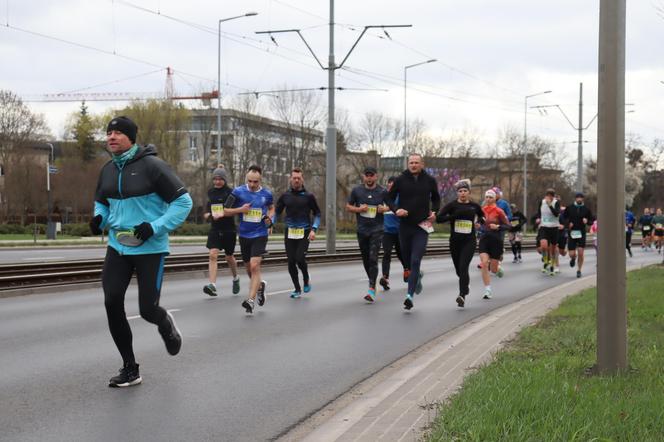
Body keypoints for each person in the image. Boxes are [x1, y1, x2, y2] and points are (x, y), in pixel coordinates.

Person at [90, 116, 193, 388]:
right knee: (112, 301)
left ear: (131, 138)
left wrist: (155, 227)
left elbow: (183, 202)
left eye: (118, 133)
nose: (111, 137)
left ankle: (165, 322)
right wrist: (98, 219)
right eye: (109, 132)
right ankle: (130, 368)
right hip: (118, 246)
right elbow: (101, 203)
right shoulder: (108, 170)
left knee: (147, 309)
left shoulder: (153, 166)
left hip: (150, 247)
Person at [386, 153, 441, 310]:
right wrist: (396, 209)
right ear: (408, 164)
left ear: (422, 164)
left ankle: (409, 296)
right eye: (411, 162)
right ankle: (417, 276)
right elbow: (388, 198)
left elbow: (436, 198)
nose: (414, 165)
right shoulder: (400, 180)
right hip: (404, 226)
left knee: (416, 259)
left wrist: (435, 212)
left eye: (416, 162)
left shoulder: (429, 180)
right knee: (409, 262)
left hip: (422, 225)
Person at [224, 165, 274, 314]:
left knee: (254, 266)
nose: (252, 185)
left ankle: (250, 301)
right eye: (250, 181)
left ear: (260, 180)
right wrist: (240, 210)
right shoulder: (238, 192)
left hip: (260, 234)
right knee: (248, 268)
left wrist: (270, 219)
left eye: (255, 182)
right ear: (247, 179)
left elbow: (272, 208)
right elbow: (224, 210)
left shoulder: (267, 194)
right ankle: (259, 287)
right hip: (244, 235)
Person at [436, 179, 484, 307]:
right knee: (459, 270)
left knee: (463, 267)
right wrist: (452, 217)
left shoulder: (474, 206)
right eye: (460, 191)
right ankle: (465, 285)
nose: (462, 193)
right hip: (455, 242)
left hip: (469, 241)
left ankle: (462, 295)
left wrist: (480, 222)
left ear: (469, 192)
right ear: (457, 193)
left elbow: (482, 216)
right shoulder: (452, 205)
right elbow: (439, 219)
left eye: (465, 191)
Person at [275, 168, 321, 299]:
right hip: (289, 231)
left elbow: (317, 213)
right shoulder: (285, 196)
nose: (296, 180)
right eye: (294, 178)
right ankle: (297, 288)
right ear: (290, 179)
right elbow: (277, 212)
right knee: (291, 262)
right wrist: (270, 222)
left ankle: (306, 278)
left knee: (299, 258)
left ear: (302, 180)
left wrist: (314, 229)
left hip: (304, 231)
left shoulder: (309, 196)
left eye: (298, 178)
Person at [346, 166, 389, 303]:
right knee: (366, 259)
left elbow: (392, 205)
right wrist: (359, 209)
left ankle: (371, 288)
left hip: (377, 229)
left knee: (373, 258)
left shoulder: (382, 191)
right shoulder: (357, 191)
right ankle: (372, 280)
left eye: (372, 175)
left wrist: (384, 208)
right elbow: (348, 206)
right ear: (364, 177)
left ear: (376, 176)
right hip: (362, 229)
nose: (369, 178)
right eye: (367, 175)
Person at [202, 166, 240, 297]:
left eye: (220, 179)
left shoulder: (231, 193)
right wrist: (208, 215)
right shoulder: (211, 192)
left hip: (229, 229)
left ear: (224, 180)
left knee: (229, 257)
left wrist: (223, 213)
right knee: (213, 254)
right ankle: (212, 285)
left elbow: (232, 211)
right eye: (215, 179)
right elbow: (207, 210)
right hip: (215, 229)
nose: (217, 182)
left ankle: (235, 278)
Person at [478, 189, 510, 299]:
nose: (488, 199)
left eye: (490, 197)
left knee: (493, 269)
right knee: (484, 263)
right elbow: (479, 223)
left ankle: (498, 269)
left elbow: (508, 226)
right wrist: (477, 226)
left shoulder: (499, 211)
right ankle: (488, 290)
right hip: (484, 239)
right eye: (486, 197)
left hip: (496, 240)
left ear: (495, 198)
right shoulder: (481, 210)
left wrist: (498, 227)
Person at [380, 176, 408, 291]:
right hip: (387, 232)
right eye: (389, 182)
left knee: (401, 254)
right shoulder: (383, 196)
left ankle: (407, 270)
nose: (391, 184)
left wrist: (386, 209)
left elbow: (400, 208)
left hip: (400, 231)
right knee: (386, 253)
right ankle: (385, 278)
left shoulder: (401, 197)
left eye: (394, 183)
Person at [563, 192, 593, 278]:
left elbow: (591, 220)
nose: (579, 199)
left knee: (580, 252)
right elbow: (563, 218)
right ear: (575, 199)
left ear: (583, 199)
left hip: (581, 233)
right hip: (572, 232)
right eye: (578, 197)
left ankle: (579, 270)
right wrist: (568, 223)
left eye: (581, 198)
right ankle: (573, 258)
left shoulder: (586, 209)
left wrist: (587, 221)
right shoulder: (569, 208)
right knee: (572, 254)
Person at [535, 188, 561, 276]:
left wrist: (550, 205)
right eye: (547, 195)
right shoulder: (541, 202)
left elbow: (556, 214)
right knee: (543, 246)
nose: (549, 197)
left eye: (551, 196)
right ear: (545, 196)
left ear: (553, 197)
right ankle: (546, 261)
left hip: (554, 228)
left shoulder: (556, 203)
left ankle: (552, 265)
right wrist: (538, 218)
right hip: (544, 227)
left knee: (553, 249)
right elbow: (539, 212)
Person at [554, 199, 568, 273]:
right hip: (554, 232)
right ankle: (557, 266)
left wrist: (564, 226)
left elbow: (567, 221)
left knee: (562, 253)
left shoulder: (564, 211)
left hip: (562, 233)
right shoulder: (549, 211)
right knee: (555, 248)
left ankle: (565, 249)